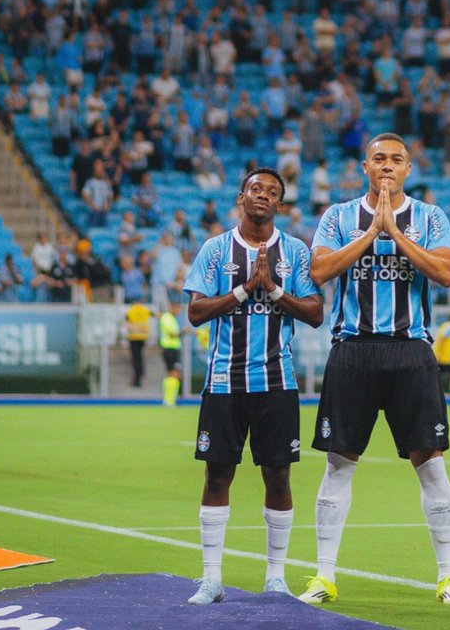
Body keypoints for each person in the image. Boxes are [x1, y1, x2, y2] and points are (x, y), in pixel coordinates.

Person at [298, 133, 450, 606]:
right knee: (338, 463)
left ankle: (448, 576)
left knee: (430, 464)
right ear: (364, 167)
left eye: (396, 160)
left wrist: (395, 232)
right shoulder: (338, 216)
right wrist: (374, 231)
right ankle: (324, 576)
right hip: (353, 350)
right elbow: (320, 271)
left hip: (411, 351)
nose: (387, 166)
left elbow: (446, 272)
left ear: (408, 169)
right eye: (379, 159)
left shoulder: (430, 217)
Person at [183, 167, 323, 605]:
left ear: (279, 205)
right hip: (224, 381)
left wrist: (275, 291)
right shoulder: (215, 249)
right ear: (241, 197)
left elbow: (316, 313)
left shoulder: (295, 252)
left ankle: (276, 577)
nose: (263, 195)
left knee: (278, 476)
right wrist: (245, 290)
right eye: (255, 188)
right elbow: (196, 312)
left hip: (277, 382)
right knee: (217, 473)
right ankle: (211, 578)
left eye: (272, 192)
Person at [159, 295, 184, 407]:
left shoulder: (172, 318)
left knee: (173, 373)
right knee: (173, 373)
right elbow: (172, 334)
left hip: (172, 348)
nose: (179, 311)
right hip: (169, 348)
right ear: (172, 307)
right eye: (178, 308)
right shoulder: (167, 317)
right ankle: (169, 400)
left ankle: (170, 399)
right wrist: (185, 332)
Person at [125, 298, 152, 388]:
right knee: (140, 356)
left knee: (136, 357)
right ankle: (141, 372)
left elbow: (127, 322)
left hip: (133, 337)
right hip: (143, 336)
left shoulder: (130, 310)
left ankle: (138, 376)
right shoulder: (145, 310)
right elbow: (156, 315)